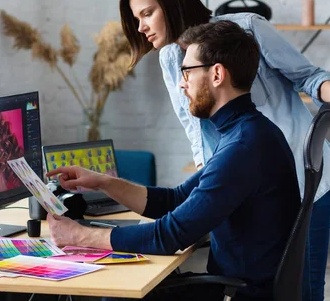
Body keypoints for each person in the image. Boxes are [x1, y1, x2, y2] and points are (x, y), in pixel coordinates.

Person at [118, 0, 330, 301]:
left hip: (305, 187)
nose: (141, 27)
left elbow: (307, 75)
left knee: (302, 290)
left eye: (147, 14)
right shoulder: (171, 59)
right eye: (136, 19)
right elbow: (197, 133)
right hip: (245, 192)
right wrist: (205, 197)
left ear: (172, 4)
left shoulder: (248, 30)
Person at [47, 21, 301, 300]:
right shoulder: (248, 132)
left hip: (237, 293)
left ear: (217, 74)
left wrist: (79, 236)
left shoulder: (242, 147)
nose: (182, 83)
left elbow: (170, 236)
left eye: (187, 71)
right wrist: (103, 182)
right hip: (234, 286)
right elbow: (176, 199)